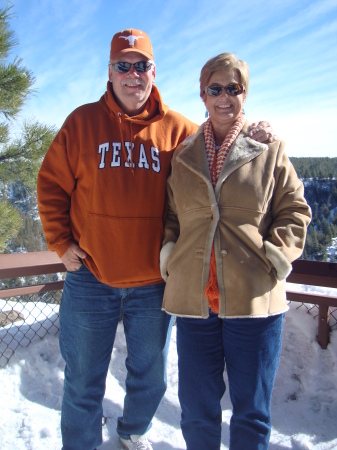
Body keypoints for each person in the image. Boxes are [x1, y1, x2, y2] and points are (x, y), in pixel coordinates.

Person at [37, 28, 276, 450]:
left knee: (150, 378)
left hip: (153, 284)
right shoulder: (81, 123)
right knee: (82, 381)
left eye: (141, 64)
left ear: (154, 70)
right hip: (92, 277)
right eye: (122, 65)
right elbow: (51, 185)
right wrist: (60, 242)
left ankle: (131, 431)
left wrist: (258, 132)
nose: (133, 74)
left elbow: (222, 142)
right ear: (109, 72)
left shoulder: (180, 132)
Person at [160, 52, 311, 450]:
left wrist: (276, 258)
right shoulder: (185, 154)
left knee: (252, 412)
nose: (224, 97)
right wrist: (168, 253)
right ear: (202, 94)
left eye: (234, 88)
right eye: (216, 88)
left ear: (245, 94)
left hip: (254, 299)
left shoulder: (267, 149)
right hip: (195, 301)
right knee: (195, 407)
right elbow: (172, 214)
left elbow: (295, 211)